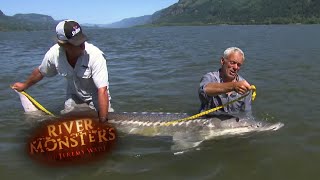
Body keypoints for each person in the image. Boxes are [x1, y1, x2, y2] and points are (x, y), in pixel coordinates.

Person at [12, 19, 113, 122]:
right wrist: (24, 85)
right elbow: (40, 72)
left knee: (107, 127)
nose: (83, 46)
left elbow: (102, 90)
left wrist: (103, 121)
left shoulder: (95, 55)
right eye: (77, 43)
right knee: (66, 127)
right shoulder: (54, 54)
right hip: (74, 97)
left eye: (82, 40)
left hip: (98, 99)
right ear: (63, 45)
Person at [198, 47, 252, 117]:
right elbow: (205, 90)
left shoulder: (245, 87)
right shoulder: (210, 77)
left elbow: (247, 115)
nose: (235, 67)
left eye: (239, 65)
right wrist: (233, 86)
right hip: (207, 123)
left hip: (231, 126)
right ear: (222, 61)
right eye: (232, 63)